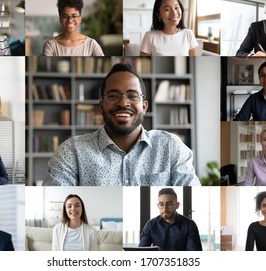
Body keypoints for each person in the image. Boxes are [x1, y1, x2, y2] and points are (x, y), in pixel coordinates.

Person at [43, 63, 201, 186]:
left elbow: (193, 201)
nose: (123, 103)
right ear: (101, 106)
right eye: (113, 96)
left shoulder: (171, 147)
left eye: (132, 96)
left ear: (144, 106)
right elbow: (58, 208)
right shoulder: (72, 151)